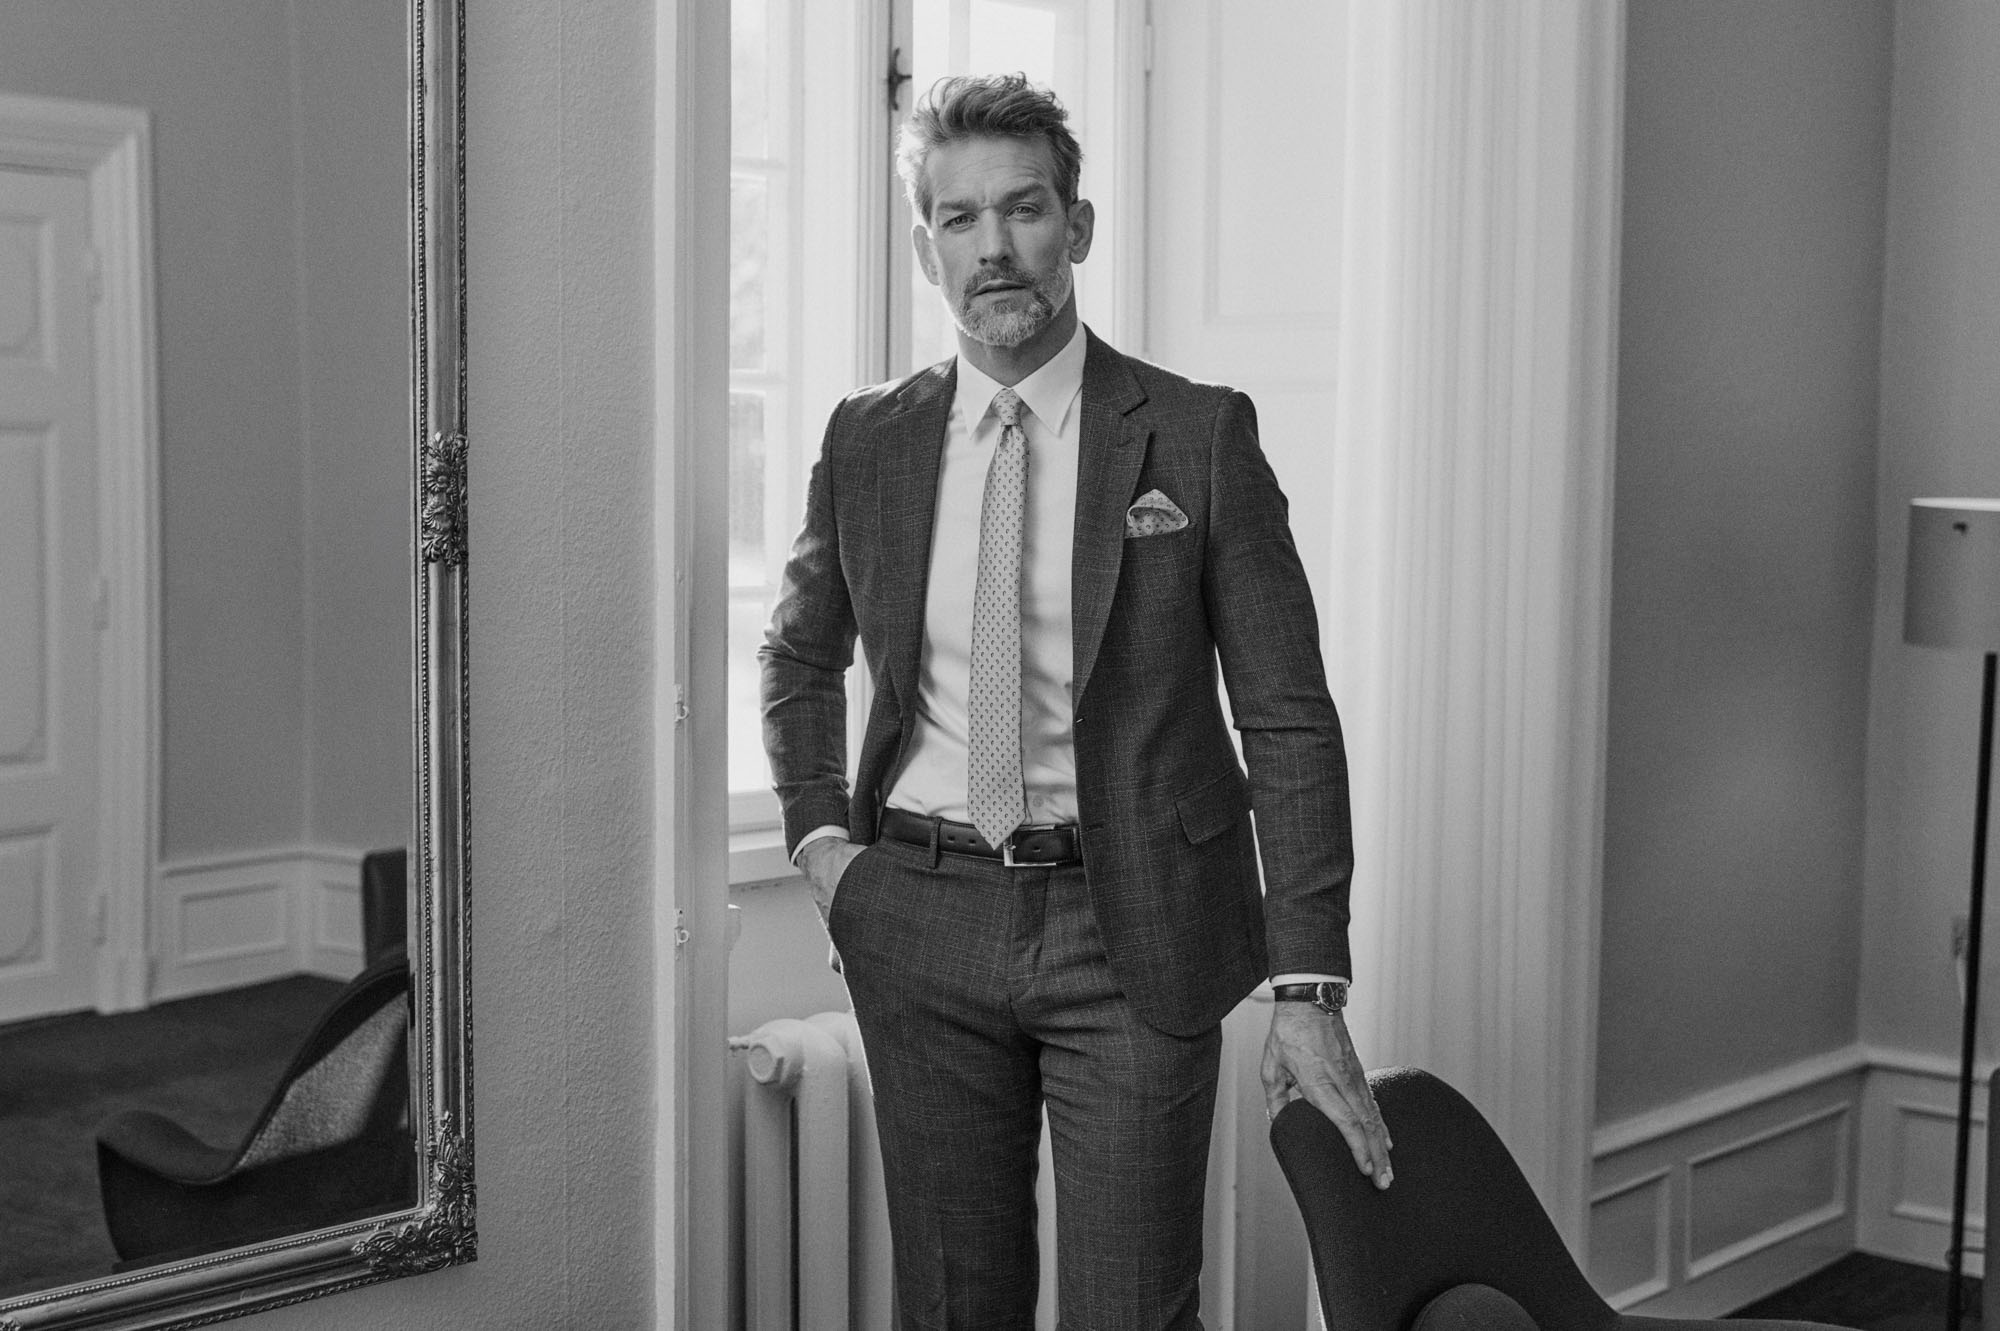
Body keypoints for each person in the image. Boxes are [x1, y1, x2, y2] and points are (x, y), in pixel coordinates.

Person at [760, 72, 1389, 1330]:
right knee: (951, 1305)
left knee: (1131, 1312)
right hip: (922, 911)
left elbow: (1286, 715)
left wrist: (1309, 985)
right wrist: (827, 847)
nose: (993, 247)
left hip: (1134, 929)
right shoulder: (867, 439)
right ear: (926, 245)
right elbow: (796, 653)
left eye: (1024, 209)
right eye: (957, 218)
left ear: (1077, 226)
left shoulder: (1197, 437)